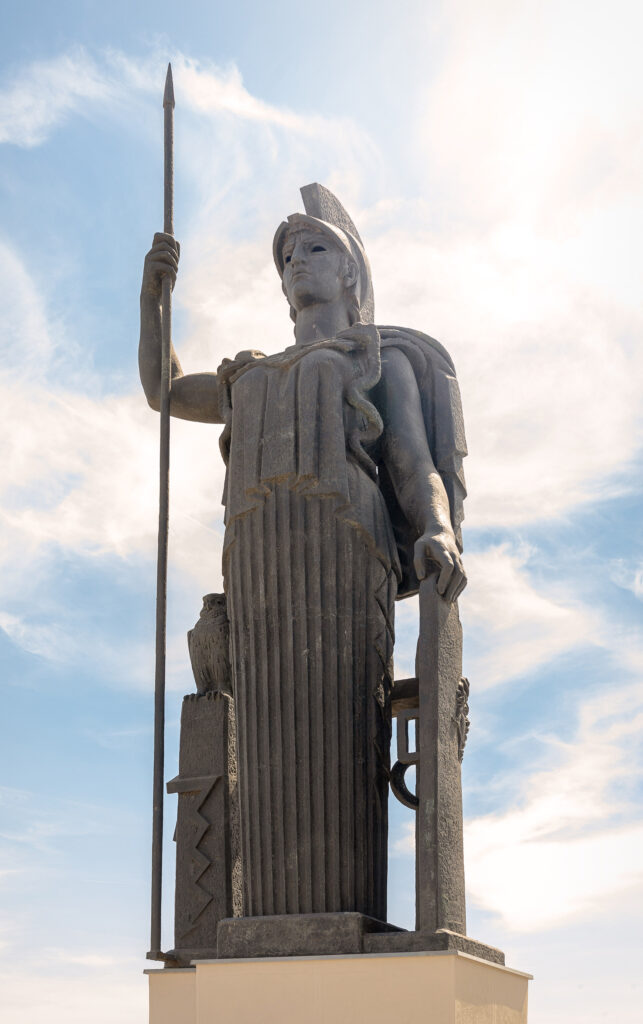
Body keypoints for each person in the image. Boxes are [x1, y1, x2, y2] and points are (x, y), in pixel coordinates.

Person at [139, 185, 467, 924]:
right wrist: (153, 299)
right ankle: (256, 929)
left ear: (351, 273)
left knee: (342, 733)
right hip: (256, 558)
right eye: (287, 255)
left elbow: (415, 467)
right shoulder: (250, 372)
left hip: (344, 552)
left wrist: (436, 528)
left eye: (314, 248)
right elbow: (162, 390)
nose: (295, 263)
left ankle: (344, 920)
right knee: (262, 746)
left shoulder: (375, 360)